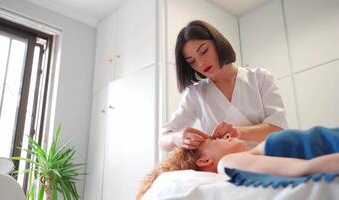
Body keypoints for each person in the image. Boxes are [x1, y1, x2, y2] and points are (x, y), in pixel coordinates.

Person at [159, 20, 288, 152]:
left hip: (269, 159)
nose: (201, 64)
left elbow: (279, 128)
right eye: (192, 61)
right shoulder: (195, 93)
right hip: (225, 168)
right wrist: (176, 138)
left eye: (203, 51)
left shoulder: (259, 77)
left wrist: (239, 132)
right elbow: (163, 141)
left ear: (217, 42)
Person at [137, 126, 339, 199]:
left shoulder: (253, 153)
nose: (224, 136)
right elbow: (306, 169)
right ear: (205, 160)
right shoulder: (228, 163)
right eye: (214, 140)